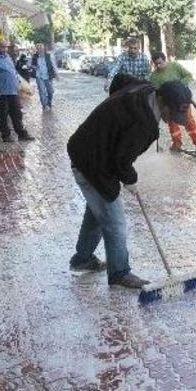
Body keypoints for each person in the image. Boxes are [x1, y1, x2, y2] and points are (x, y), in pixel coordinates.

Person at [67, 73, 171, 289]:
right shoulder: (144, 124)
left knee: (98, 210)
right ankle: (119, 273)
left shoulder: (145, 87)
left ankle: (82, 259)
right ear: (162, 101)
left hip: (91, 150)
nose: (175, 118)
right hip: (91, 161)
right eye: (175, 111)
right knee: (115, 221)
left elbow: (121, 79)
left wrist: (113, 114)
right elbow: (121, 160)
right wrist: (130, 179)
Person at [150, 52, 196, 151]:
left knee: (189, 121)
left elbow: (188, 75)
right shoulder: (154, 77)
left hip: (182, 99)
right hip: (168, 102)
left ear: (164, 60)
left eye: (160, 63)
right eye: (156, 64)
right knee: (172, 123)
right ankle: (177, 144)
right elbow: (157, 93)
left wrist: (179, 86)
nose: (158, 66)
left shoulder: (175, 66)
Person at [0, 39, 35, 142]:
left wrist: (21, 84)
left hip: (13, 90)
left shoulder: (8, 57)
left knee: (17, 113)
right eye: (2, 46)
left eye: (6, 47)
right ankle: (6, 136)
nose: (5, 49)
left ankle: (22, 134)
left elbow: (14, 72)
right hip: (2, 91)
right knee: (3, 115)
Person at [31, 43, 57, 111]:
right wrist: (35, 67)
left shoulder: (49, 55)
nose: (40, 50)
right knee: (42, 91)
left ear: (44, 49)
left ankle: (49, 103)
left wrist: (57, 74)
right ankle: (44, 105)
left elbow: (54, 65)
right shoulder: (35, 56)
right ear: (37, 49)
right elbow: (31, 65)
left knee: (50, 91)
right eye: (38, 48)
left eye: (41, 48)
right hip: (39, 77)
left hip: (48, 76)